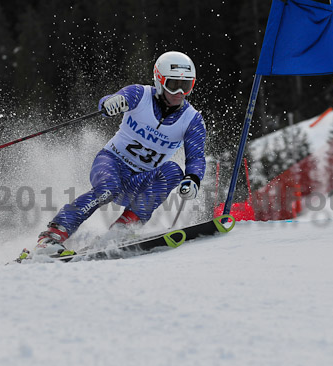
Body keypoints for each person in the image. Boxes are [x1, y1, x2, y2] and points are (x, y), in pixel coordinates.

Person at [25, 51, 207, 258]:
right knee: (108, 189)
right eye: (173, 85)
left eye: (187, 86)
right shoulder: (140, 95)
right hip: (111, 162)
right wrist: (110, 103)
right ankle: (51, 236)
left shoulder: (192, 120)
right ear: (159, 81)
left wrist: (193, 179)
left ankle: (122, 229)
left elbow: (196, 157)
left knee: (173, 170)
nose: (180, 92)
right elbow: (115, 99)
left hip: (138, 180)